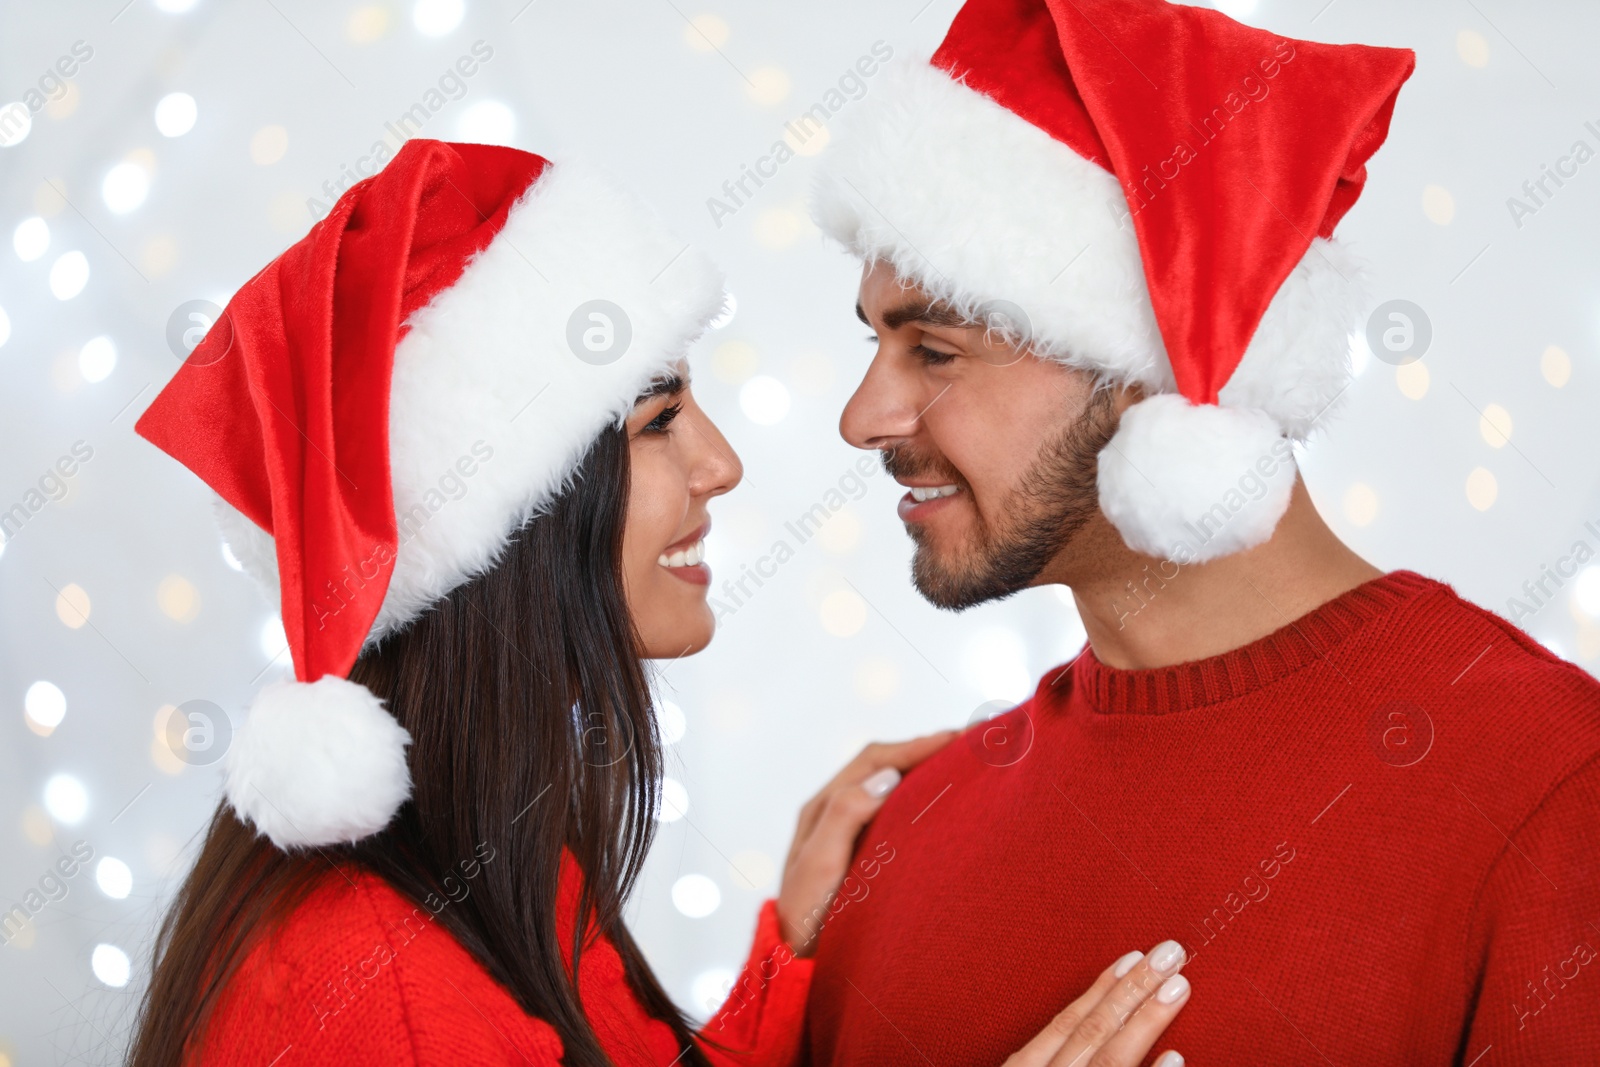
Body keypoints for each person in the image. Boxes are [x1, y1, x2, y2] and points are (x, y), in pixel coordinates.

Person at [126, 139, 1192, 1066]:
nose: (719, 463)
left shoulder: (501, 865)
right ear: (505, 525)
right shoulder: (370, 985)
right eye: (658, 420)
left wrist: (797, 951)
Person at [801, 0, 1600, 1064]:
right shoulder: (903, 832)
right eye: (874, 343)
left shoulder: (1549, 793)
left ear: (1160, 369)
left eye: (933, 351)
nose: (863, 418)